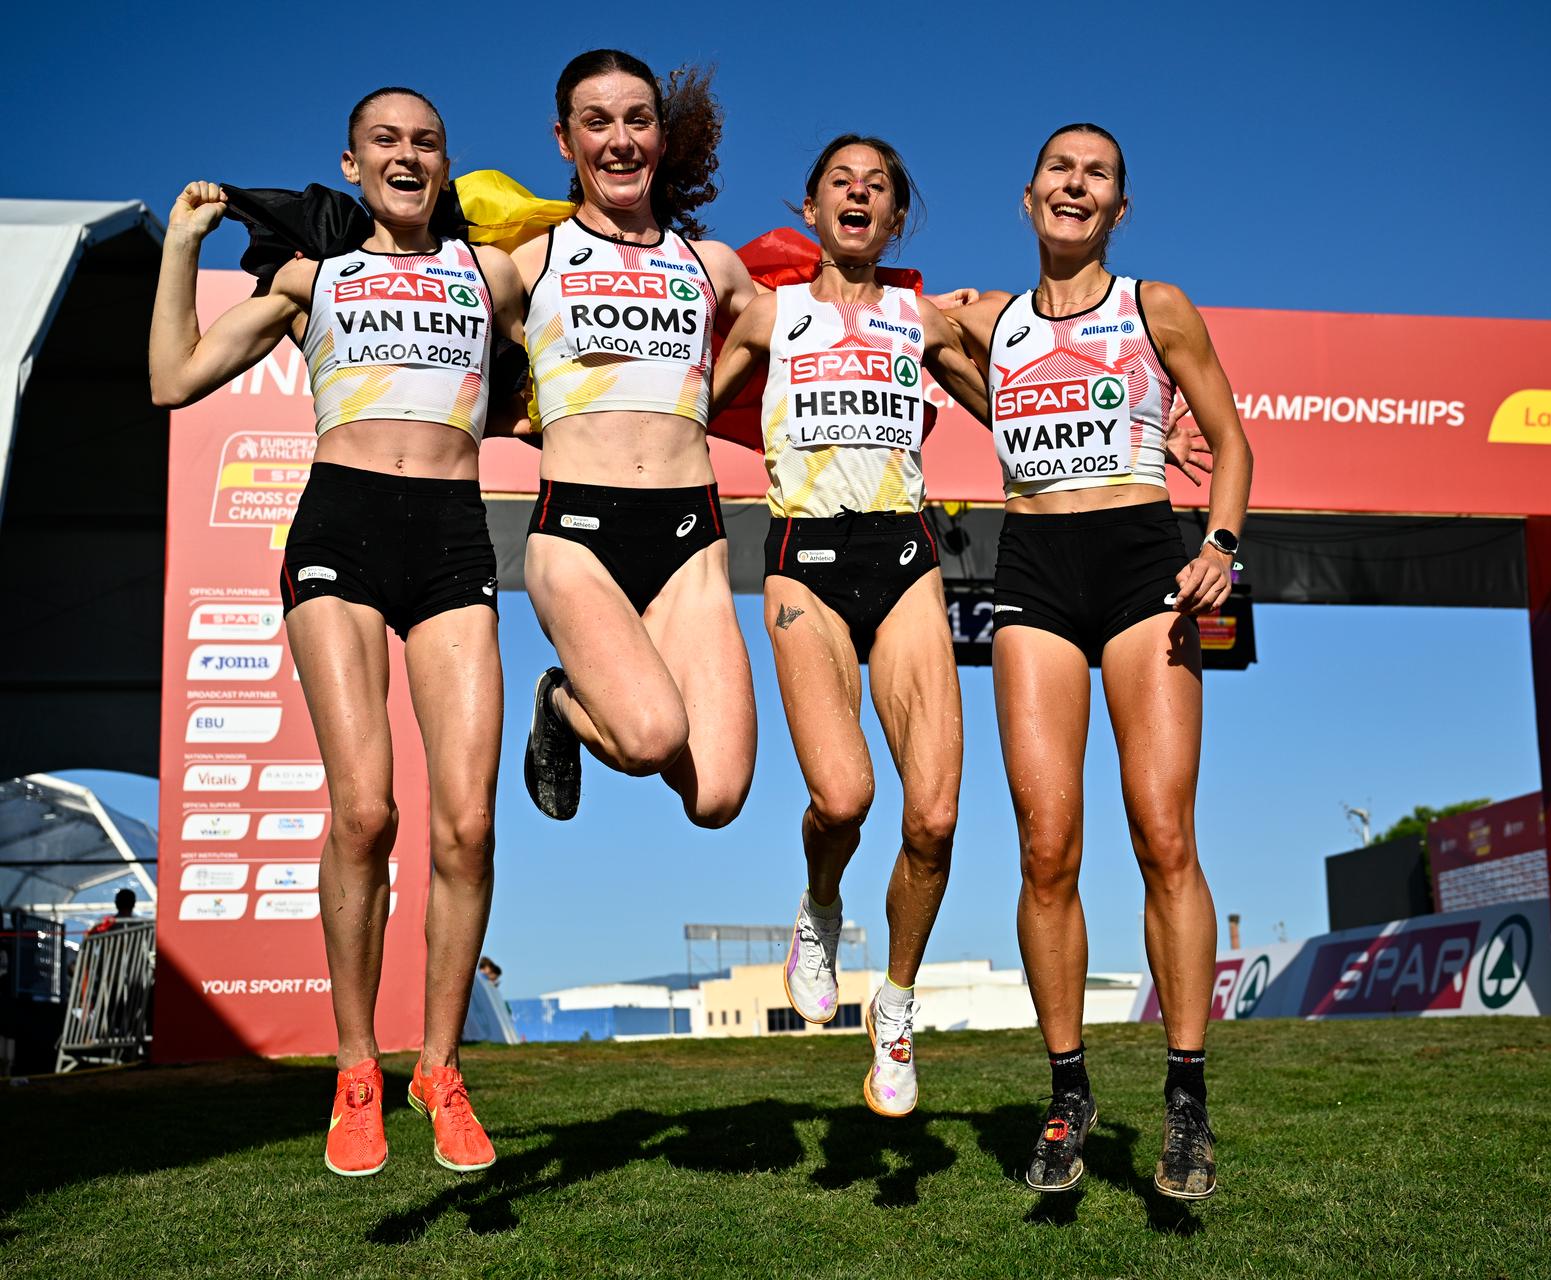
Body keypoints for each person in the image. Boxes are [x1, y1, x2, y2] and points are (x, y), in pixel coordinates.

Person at [150, 88, 520, 1179]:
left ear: (446, 164)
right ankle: (357, 1065)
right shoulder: (312, 278)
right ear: (351, 164)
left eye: (427, 142)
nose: (408, 155)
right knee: (365, 807)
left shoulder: (490, 272)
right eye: (387, 142)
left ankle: (440, 1069)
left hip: (453, 536)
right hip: (341, 530)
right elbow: (174, 377)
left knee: (466, 826)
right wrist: (180, 249)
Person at [945, 123, 1253, 1199]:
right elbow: (864, 301)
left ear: (1118, 210)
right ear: (1027, 196)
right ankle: (1068, 1086)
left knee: (1164, 832)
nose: (1076, 186)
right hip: (1032, 560)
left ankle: (1185, 1096)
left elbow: (1233, 441)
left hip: (1138, 563)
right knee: (1045, 841)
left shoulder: (1155, 304)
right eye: (1060, 171)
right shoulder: (988, 323)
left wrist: (1218, 544)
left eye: (1099, 176)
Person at [710, 136, 991, 1117]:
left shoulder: (925, 318)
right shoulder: (767, 311)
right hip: (804, 559)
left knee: (938, 815)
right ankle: (821, 904)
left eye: (878, 187)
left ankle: (899, 1005)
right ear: (812, 205)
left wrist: (1124, 437)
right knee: (844, 796)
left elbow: (1012, 410)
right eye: (843, 183)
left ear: (896, 217)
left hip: (905, 554)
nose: (860, 195)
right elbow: (678, 415)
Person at [513, 50, 758, 829]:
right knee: (651, 737)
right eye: (597, 122)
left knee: (716, 796)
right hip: (578, 535)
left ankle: (590, 695)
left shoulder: (712, 265)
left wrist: (922, 314)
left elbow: (810, 328)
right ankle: (559, 699)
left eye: (637, 120)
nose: (619, 140)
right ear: (564, 140)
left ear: (661, 135)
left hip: (691, 536)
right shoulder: (530, 262)